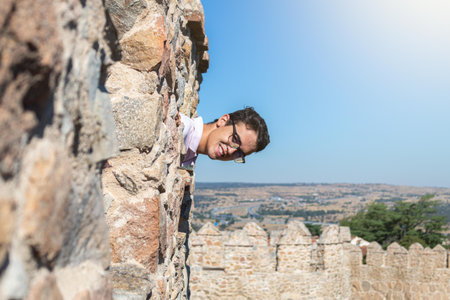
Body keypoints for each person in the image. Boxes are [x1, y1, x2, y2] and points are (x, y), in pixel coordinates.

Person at [180, 107, 270, 169]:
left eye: (239, 153)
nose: (231, 151)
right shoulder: (181, 129)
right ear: (223, 120)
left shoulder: (189, 158)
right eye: (235, 140)